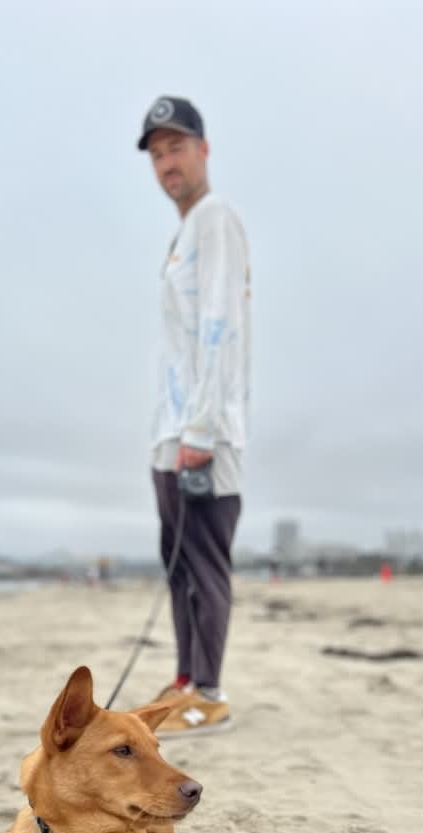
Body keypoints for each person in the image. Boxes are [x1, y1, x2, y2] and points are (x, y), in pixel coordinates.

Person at [137, 96, 251, 735]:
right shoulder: (183, 235)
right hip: (172, 431)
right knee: (177, 562)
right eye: (156, 154)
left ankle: (209, 692)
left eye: (176, 148)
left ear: (203, 150)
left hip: (203, 433)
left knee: (204, 562)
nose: (166, 163)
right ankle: (185, 681)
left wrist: (202, 430)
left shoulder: (215, 219)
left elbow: (221, 325)